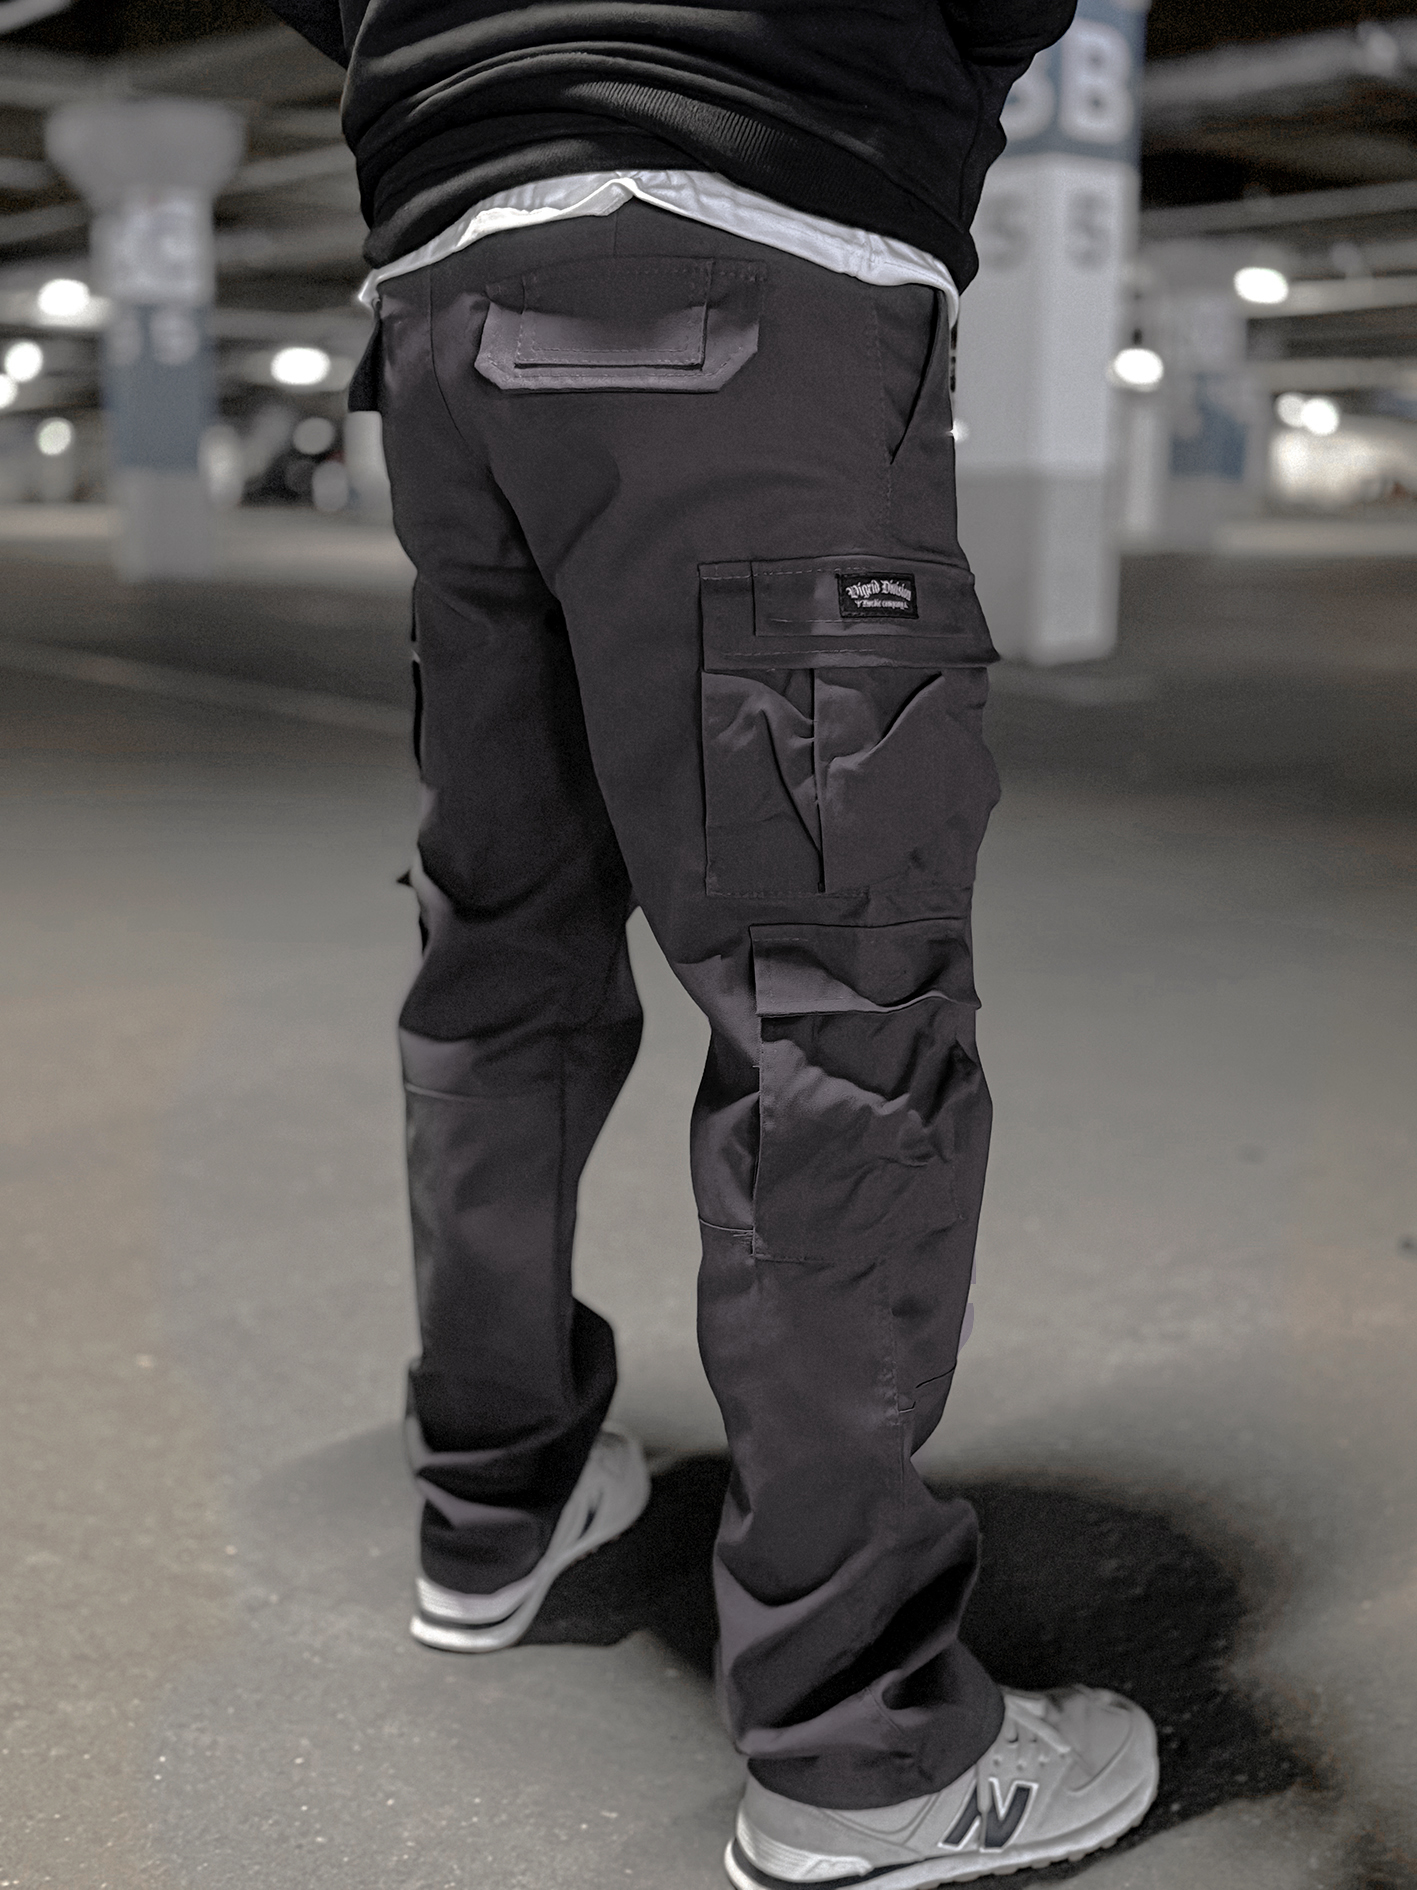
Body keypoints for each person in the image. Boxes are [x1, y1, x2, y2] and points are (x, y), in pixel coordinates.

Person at [267, 1, 1161, 1880]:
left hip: (447, 286)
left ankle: (494, 1501)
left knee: (500, 955)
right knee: (834, 1009)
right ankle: (864, 1744)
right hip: (755, 253)